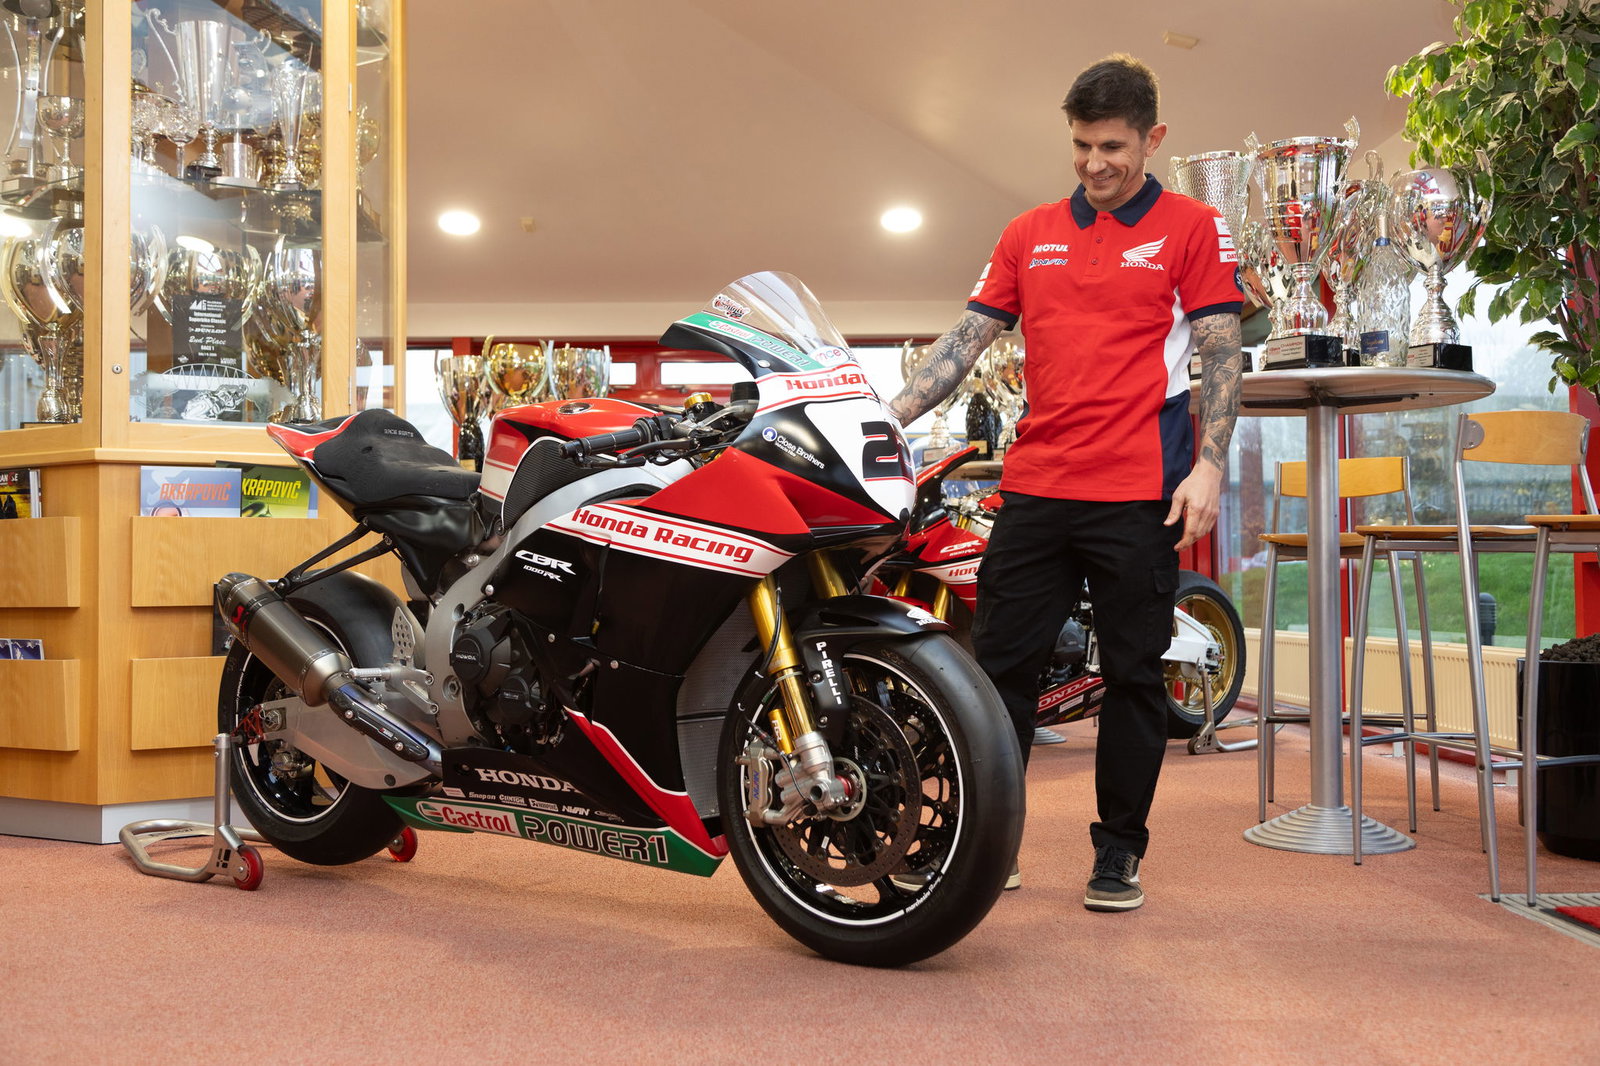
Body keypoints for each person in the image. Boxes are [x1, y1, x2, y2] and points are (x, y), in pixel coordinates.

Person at [890, 54, 1243, 912]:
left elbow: (1221, 350)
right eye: (1082, 145)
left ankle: (1118, 852)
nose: (1094, 164)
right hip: (1039, 486)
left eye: (1112, 146)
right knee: (997, 673)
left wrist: (1210, 465)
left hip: (1139, 492)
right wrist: (884, 419)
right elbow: (966, 341)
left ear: (1152, 139)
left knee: (1133, 677)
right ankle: (987, 846)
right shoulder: (1029, 232)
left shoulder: (1193, 226)